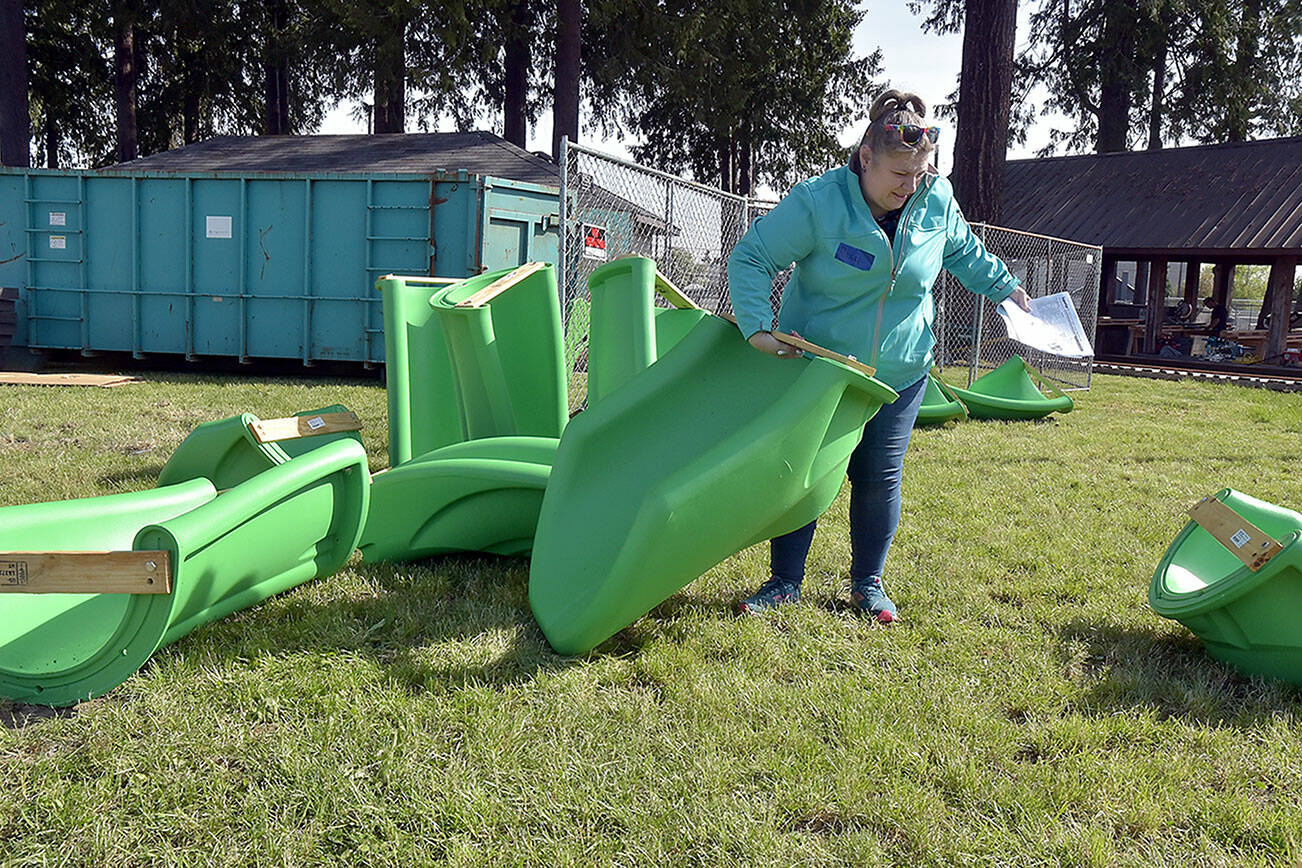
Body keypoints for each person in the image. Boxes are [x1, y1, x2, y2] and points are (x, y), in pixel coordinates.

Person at [726, 88, 1030, 623]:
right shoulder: (819, 203)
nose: (910, 187)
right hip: (822, 368)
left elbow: (962, 250)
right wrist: (757, 327)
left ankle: (868, 584)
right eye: (898, 176)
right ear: (865, 158)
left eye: (920, 175)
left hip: (900, 370)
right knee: (806, 470)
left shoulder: (935, 197)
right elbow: (752, 256)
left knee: (878, 477)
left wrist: (1007, 290)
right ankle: (783, 582)